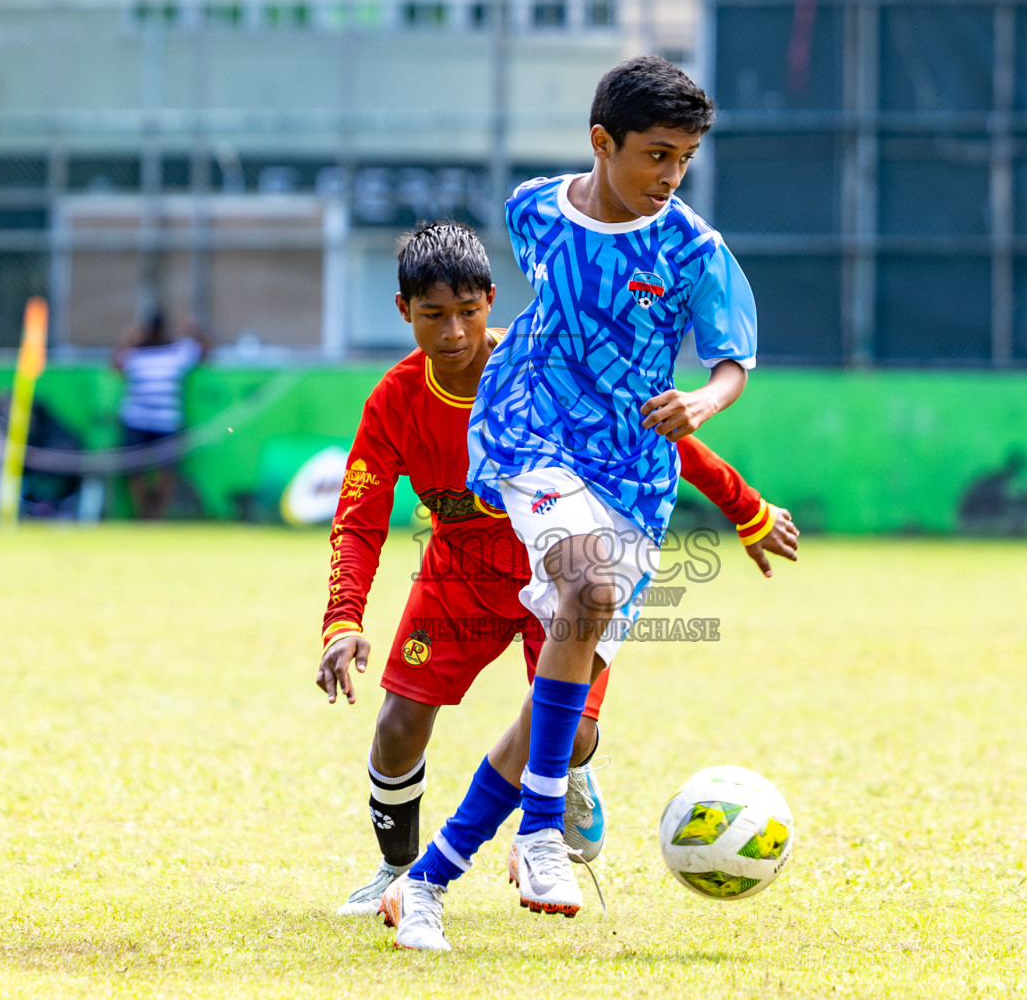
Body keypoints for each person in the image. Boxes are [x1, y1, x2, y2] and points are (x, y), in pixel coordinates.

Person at [380, 57, 758, 950]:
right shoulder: (534, 207)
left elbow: (732, 358)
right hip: (529, 432)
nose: (671, 175)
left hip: (634, 471)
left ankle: (428, 881)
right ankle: (544, 831)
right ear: (602, 142)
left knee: (562, 691)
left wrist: (703, 401)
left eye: (685, 159)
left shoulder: (695, 251)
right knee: (585, 587)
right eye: (656, 154)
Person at [316, 220, 796, 917]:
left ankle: (568, 779)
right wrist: (342, 620)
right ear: (403, 312)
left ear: (490, 299)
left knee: (568, 733)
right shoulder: (394, 402)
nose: (453, 333)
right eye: (432, 316)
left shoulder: (545, 368)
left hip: (565, 553)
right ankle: (396, 868)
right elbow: (358, 519)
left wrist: (747, 509)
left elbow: (654, 434)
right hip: (461, 569)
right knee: (397, 725)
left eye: (468, 312)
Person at [111, 310, 208, 520]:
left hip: (166, 421)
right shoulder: (136, 353)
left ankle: (157, 514)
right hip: (136, 419)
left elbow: (204, 353)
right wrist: (129, 339)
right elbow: (115, 366)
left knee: (167, 470)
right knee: (133, 469)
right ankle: (143, 513)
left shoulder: (176, 351)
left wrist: (193, 332)